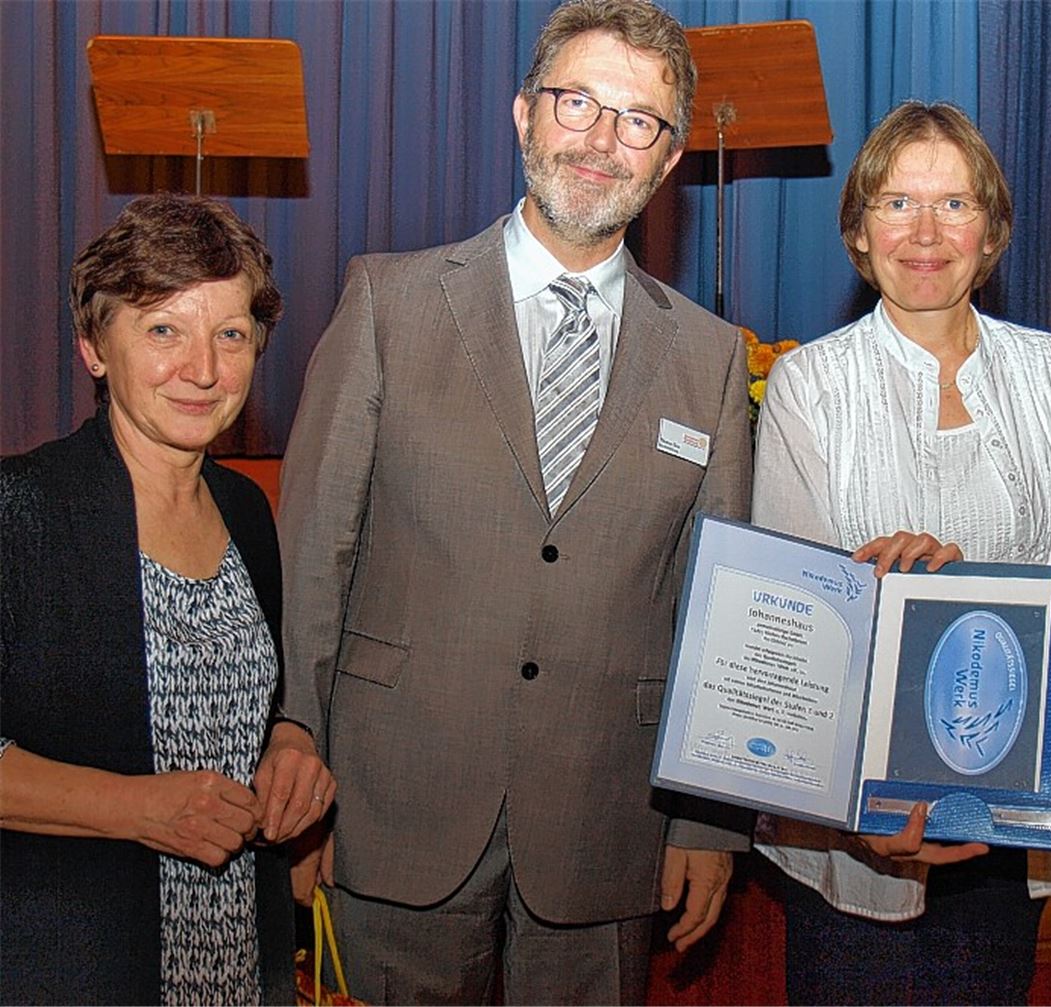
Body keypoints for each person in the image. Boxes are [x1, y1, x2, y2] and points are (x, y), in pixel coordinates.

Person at [274, 1, 754, 1003]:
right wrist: (295, 743)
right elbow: (316, 553)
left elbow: (719, 614)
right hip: (392, 801)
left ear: (669, 160)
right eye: (577, 102)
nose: (601, 140)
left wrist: (710, 818)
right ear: (525, 113)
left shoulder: (711, 357)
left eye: (638, 120)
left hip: (607, 823)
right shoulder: (388, 304)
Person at [751, 100, 1051, 1005]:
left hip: (1012, 809)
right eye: (897, 203)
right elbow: (791, 626)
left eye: (955, 204)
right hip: (853, 823)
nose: (925, 232)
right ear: (859, 230)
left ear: (991, 232)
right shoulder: (809, 384)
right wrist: (854, 807)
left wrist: (976, 598)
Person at [0, 194, 337, 1006]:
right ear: (93, 348)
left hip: (237, 956)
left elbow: (258, 700)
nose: (204, 369)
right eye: (163, 330)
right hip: (74, 963)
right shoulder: (21, 509)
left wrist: (290, 741)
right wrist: (135, 807)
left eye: (231, 334)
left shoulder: (247, 510)